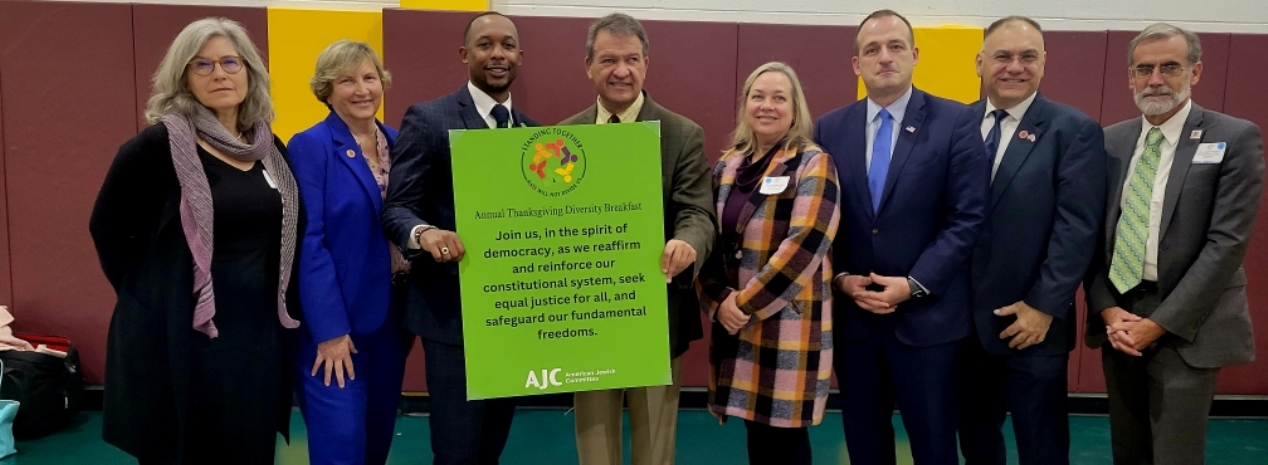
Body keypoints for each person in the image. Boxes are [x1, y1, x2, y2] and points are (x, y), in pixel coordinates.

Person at [89, 17, 302, 465]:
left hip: (257, 333)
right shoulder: (157, 146)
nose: (219, 74)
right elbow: (107, 228)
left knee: (250, 445)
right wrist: (146, 296)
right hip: (184, 333)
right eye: (202, 65)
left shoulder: (268, 147)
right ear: (183, 77)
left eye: (230, 62)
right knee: (187, 448)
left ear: (249, 72)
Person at [813, 9, 990, 465]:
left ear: (914, 56)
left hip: (928, 323)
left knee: (934, 446)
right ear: (856, 64)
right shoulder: (829, 128)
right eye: (871, 49)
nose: (884, 57)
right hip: (857, 323)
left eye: (895, 47)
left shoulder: (955, 122)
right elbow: (821, 220)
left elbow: (967, 218)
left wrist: (912, 284)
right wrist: (842, 278)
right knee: (865, 442)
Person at [1084, 23, 1264, 465]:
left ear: (1195, 72)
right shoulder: (1110, 141)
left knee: (1175, 453)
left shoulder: (1234, 137)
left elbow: (1227, 243)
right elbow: (1090, 236)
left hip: (1188, 324)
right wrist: (1107, 308)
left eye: (1170, 67)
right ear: (1129, 77)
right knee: (1128, 448)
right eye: (1144, 69)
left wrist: (1160, 324)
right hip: (1121, 319)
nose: (1156, 79)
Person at [381, 12, 540, 465]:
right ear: (465, 54)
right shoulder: (429, 118)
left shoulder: (534, 135)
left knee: (491, 447)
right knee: (455, 451)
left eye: (507, 46)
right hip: (451, 318)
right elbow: (396, 207)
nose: (497, 55)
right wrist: (424, 233)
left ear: (520, 57)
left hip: (514, 318)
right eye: (486, 45)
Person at [557, 13, 715, 465]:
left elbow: (698, 212)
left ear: (646, 64)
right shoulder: (562, 139)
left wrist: (687, 242)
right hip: (587, 315)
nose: (620, 70)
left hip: (657, 314)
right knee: (594, 441)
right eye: (608, 59)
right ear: (588, 65)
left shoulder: (682, 134)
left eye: (631, 59)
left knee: (654, 446)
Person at [956, 16, 1107, 465]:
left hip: (1033, 327)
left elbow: (1076, 229)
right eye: (1002, 56)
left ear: (1044, 63)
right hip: (962, 327)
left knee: (1041, 447)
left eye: (1027, 57)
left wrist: (1043, 307)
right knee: (976, 442)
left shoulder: (1072, 130)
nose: (1014, 67)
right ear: (980, 63)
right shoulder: (955, 125)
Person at [696, 61, 839, 465]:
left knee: (784, 444)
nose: (767, 106)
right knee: (757, 438)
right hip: (736, 327)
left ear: (796, 108)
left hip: (787, 328)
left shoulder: (813, 163)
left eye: (779, 98)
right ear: (745, 105)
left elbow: (805, 246)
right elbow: (706, 239)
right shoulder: (727, 167)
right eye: (758, 96)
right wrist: (718, 300)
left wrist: (740, 306)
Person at [287, 40, 410, 465]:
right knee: (340, 444)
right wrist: (329, 330)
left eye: (369, 77)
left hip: (393, 321)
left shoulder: (400, 142)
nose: (362, 89)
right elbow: (309, 241)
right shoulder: (310, 146)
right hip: (336, 328)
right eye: (347, 80)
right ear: (326, 89)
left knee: (376, 440)